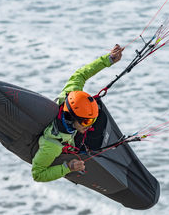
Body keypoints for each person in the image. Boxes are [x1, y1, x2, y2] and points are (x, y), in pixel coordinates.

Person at [32, 44, 124, 182]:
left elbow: (81, 74)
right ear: (72, 117)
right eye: (87, 122)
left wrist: (109, 59)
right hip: (66, 144)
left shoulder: (70, 94)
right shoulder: (51, 146)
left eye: (92, 120)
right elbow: (37, 175)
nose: (90, 125)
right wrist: (68, 167)